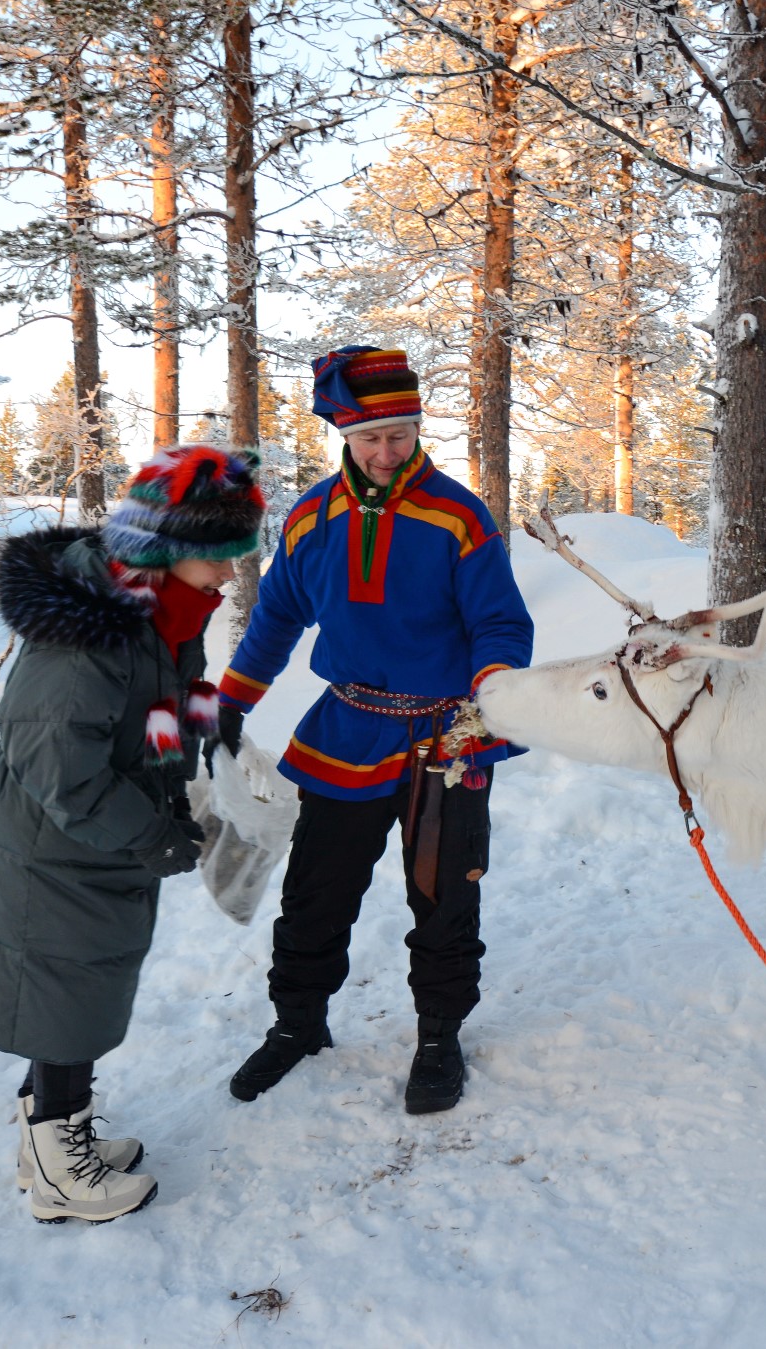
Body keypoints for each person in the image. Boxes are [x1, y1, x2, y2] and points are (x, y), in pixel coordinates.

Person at [216, 345, 533, 1115]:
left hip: (445, 740)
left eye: (399, 434)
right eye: (369, 439)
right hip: (347, 730)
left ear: (418, 427)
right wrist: (232, 701)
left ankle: (437, 1035)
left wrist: (492, 690)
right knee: (316, 892)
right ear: (345, 437)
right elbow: (277, 617)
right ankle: (297, 1024)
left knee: (443, 896)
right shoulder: (312, 517)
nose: (386, 452)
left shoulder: (458, 516)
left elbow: (499, 623)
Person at [0, 445, 266, 1224]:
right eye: (218, 559)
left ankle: (49, 1137)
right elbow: (57, 765)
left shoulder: (162, 609)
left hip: (93, 840)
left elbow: (162, 701)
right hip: (54, 845)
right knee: (64, 997)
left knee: (80, 990)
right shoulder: (91, 629)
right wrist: (149, 833)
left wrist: (209, 738)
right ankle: (62, 1168)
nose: (229, 577)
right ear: (166, 546)